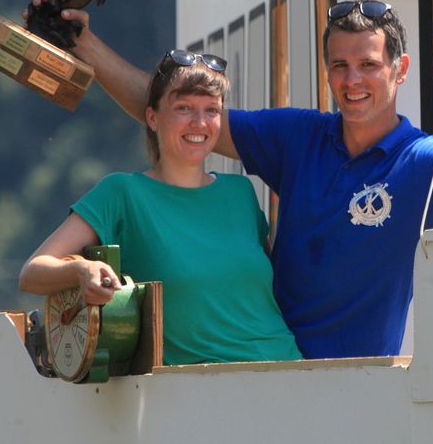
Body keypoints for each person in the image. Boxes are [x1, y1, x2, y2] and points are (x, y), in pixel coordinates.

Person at [25, 0, 433, 359]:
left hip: (358, 383)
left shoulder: (425, 161)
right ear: (327, 71)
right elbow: (186, 121)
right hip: (272, 367)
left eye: (370, 66)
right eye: (340, 66)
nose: (354, 80)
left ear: (399, 69)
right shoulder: (297, 136)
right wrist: (86, 46)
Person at [18, 50, 302, 365]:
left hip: (284, 370)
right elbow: (32, 273)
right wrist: (82, 270)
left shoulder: (241, 192)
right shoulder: (122, 193)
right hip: (192, 389)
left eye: (212, 110)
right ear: (152, 117)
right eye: (183, 108)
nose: (200, 122)